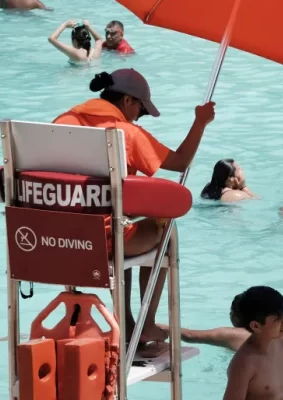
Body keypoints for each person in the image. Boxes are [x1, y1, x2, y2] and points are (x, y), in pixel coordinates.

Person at [54, 69, 216, 355]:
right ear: (129, 100)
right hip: (102, 242)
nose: (137, 117)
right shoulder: (126, 133)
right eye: (140, 110)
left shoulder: (62, 122)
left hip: (55, 240)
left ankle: (126, 321)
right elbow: (180, 162)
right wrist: (200, 122)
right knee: (165, 228)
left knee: (122, 225)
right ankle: (146, 323)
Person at [222, 286, 283, 400]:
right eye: (276, 319)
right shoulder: (243, 364)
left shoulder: (282, 344)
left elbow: (276, 391)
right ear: (256, 326)